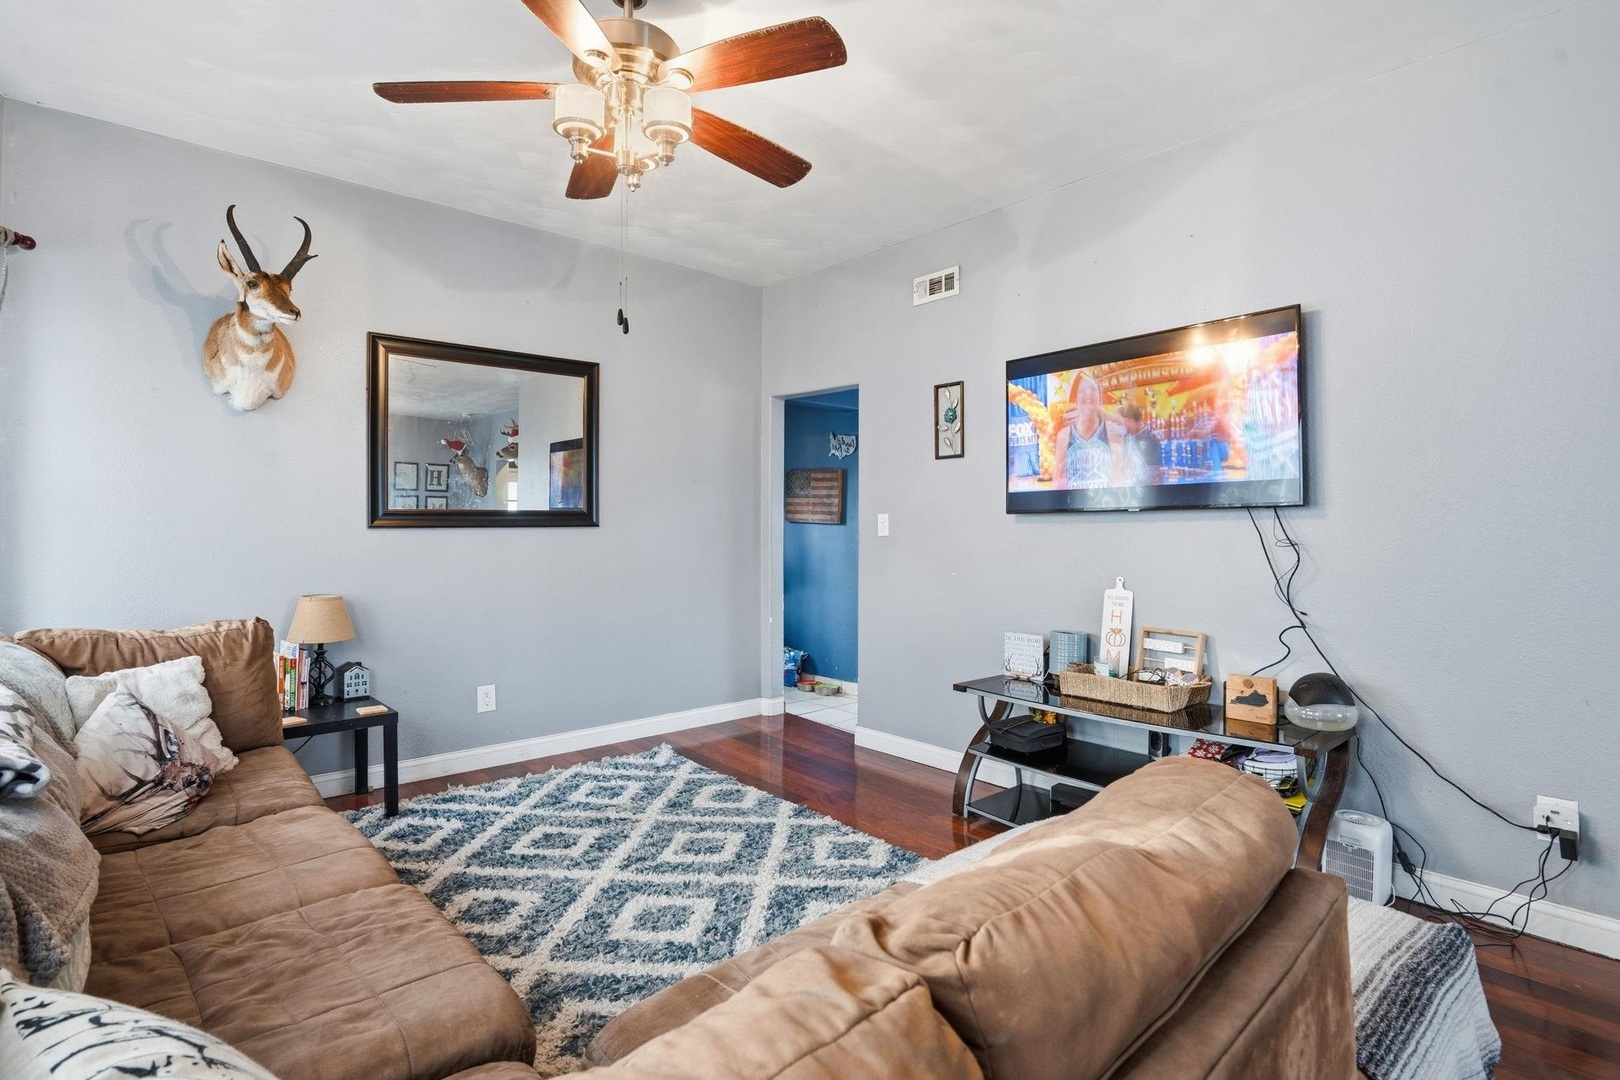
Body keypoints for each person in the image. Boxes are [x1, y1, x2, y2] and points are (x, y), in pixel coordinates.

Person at [1056, 373, 1112, 488]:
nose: (1088, 393)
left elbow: (1119, 478)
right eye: (1082, 391)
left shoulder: (1112, 432)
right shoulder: (1063, 435)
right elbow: (1058, 481)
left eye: (1093, 389)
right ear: (1076, 400)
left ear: (1100, 399)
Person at [1120, 402, 1163, 486]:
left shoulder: (1152, 440)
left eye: (1128, 424)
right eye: (1125, 424)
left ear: (1138, 421)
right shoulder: (1126, 438)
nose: (1126, 428)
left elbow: (1154, 474)